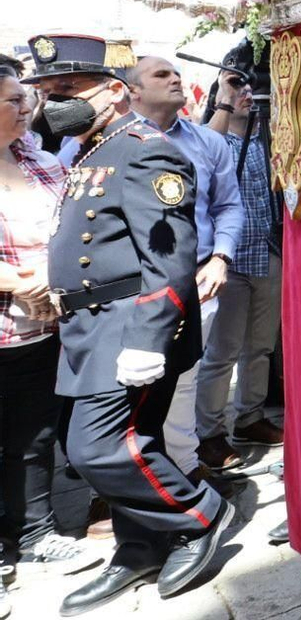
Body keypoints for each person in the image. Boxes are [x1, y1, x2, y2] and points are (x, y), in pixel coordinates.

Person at [25, 35, 235, 614]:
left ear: (115, 92)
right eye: (45, 91)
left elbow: (169, 256)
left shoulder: (145, 148)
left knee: (102, 449)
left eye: (66, 89)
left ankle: (201, 514)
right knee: (89, 446)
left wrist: (146, 340)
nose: (52, 102)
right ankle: (139, 547)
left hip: (131, 328)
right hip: (87, 329)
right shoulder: (92, 150)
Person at [0, 69, 99, 613]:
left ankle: (35, 533)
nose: (28, 107)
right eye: (15, 100)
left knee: (35, 435)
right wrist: (18, 281)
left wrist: (51, 276)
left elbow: (73, 223)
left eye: (26, 98)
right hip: (8, 318)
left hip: (43, 327)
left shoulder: (39, 161)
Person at [120, 57, 243, 482]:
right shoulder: (113, 142)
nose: (175, 78)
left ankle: (187, 471)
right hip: (131, 288)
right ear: (132, 90)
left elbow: (228, 206)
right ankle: (123, 483)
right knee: (128, 388)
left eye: (176, 73)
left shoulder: (208, 143)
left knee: (183, 382)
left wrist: (220, 257)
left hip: (197, 283)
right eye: (160, 75)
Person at [193, 65, 284, 473]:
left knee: (260, 347)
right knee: (221, 354)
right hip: (225, 263)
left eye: (251, 88)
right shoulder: (214, 139)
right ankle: (209, 434)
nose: (248, 94)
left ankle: (249, 417)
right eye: (239, 88)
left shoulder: (266, 139)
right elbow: (202, 152)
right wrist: (224, 100)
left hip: (266, 256)